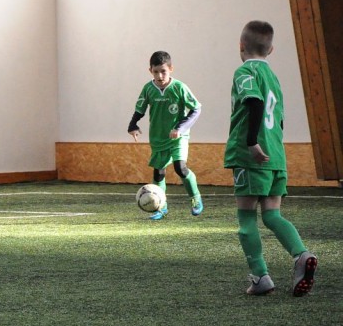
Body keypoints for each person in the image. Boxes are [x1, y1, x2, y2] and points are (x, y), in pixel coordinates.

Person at [224, 20, 317, 296]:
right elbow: (280, 119)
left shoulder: (244, 71)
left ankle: (260, 276)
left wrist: (251, 142)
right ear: (271, 50)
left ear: (240, 45)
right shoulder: (274, 78)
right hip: (276, 155)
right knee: (273, 215)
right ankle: (301, 254)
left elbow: (254, 101)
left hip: (251, 156)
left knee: (246, 219)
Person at [127, 51, 204, 219]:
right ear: (150, 71)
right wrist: (133, 125)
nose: (160, 76)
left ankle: (196, 198)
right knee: (159, 173)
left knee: (180, 168)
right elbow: (140, 109)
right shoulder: (148, 89)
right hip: (158, 137)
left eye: (163, 71)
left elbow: (196, 109)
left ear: (171, 69)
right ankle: (161, 207)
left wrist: (180, 128)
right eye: (156, 72)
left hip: (178, 137)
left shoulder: (179, 87)